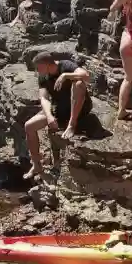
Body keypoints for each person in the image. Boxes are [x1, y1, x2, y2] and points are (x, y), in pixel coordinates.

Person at [26, 51, 92, 180]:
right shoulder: (43, 77)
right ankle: (36, 165)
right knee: (29, 126)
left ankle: (72, 124)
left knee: (78, 83)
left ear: (46, 64)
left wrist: (66, 75)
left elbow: (86, 75)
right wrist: (49, 116)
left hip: (79, 107)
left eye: (38, 67)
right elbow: (44, 98)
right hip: (59, 110)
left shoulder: (65, 65)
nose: (37, 70)